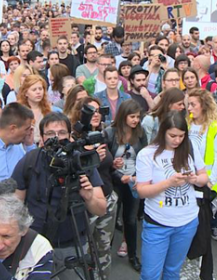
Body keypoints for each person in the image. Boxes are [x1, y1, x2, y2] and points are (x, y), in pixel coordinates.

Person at [12, 112, 107, 277]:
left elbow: (101, 209)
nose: (57, 138)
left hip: (72, 244)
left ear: (70, 136)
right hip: (35, 244)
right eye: (50, 134)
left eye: (62, 133)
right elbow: (15, 205)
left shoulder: (81, 161)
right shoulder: (30, 160)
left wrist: (89, 196)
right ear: (41, 138)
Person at [136, 111, 209, 280]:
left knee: (173, 271)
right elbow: (142, 191)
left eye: (181, 136)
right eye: (172, 136)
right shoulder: (148, 154)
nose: (177, 140)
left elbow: (204, 177)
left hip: (187, 221)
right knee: (150, 275)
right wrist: (168, 183)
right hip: (158, 223)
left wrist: (195, 179)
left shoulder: (190, 147)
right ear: (163, 132)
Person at [70, 97, 116, 280]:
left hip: (109, 198)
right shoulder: (75, 138)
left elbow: (109, 167)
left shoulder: (103, 134)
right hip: (87, 203)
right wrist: (91, 157)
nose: (96, 114)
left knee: (104, 248)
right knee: (85, 251)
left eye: (98, 111)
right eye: (91, 111)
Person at [104, 99, 147, 272]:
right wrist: (114, 166)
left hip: (133, 181)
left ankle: (132, 255)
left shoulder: (141, 133)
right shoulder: (110, 132)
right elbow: (103, 162)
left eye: (137, 117)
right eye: (132, 116)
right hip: (115, 181)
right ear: (123, 116)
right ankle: (105, 255)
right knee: (111, 219)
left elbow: (145, 156)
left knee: (130, 219)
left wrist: (137, 176)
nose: (135, 120)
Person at [186, 88, 217, 241]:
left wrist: (211, 180)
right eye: (188, 104)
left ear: (203, 106)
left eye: (193, 105)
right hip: (189, 178)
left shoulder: (215, 128)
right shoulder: (186, 125)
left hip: (206, 181)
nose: (189, 108)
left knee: (203, 219)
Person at [17, 75, 53, 144]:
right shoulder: (19, 111)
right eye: (34, 90)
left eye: (40, 89)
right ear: (26, 93)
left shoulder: (49, 110)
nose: (38, 92)